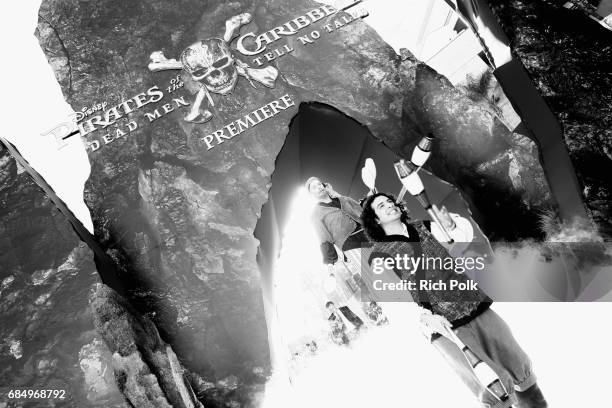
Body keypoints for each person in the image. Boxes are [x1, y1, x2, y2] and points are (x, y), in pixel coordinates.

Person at [361, 192, 547, 408]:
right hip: (445, 327)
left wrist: (451, 225)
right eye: (381, 206)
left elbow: (460, 238)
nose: (390, 205)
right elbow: (391, 298)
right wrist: (424, 318)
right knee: (491, 388)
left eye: (390, 201)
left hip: (475, 306)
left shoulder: (425, 227)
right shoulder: (380, 255)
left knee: (516, 362)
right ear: (375, 220)